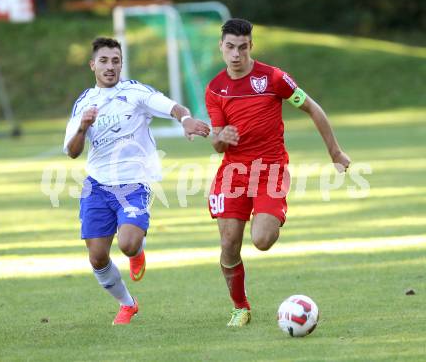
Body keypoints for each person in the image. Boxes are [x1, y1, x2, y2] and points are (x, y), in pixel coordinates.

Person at [205, 19, 351, 327]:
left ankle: (270, 213)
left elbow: (312, 107)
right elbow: (217, 142)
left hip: (270, 171)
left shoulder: (273, 78)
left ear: (251, 47)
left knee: (262, 239)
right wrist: (221, 138)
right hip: (233, 175)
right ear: (221, 47)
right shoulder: (216, 88)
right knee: (229, 245)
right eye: (230, 47)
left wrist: (335, 152)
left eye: (242, 48)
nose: (236, 55)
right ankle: (240, 306)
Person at [64, 37, 210, 325]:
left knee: (129, 244)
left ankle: (137, 251)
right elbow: (72, 151)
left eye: (115, 60)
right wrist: (83, 127)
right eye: (104, 61)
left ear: (121, 64)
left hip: (134, 183)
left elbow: (173, 107)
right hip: (97, 185)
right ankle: (127, 304)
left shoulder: (134, 93)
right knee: (97, 258)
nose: (110, 66)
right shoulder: (85, 103)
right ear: (93, 64)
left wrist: (186, 120)